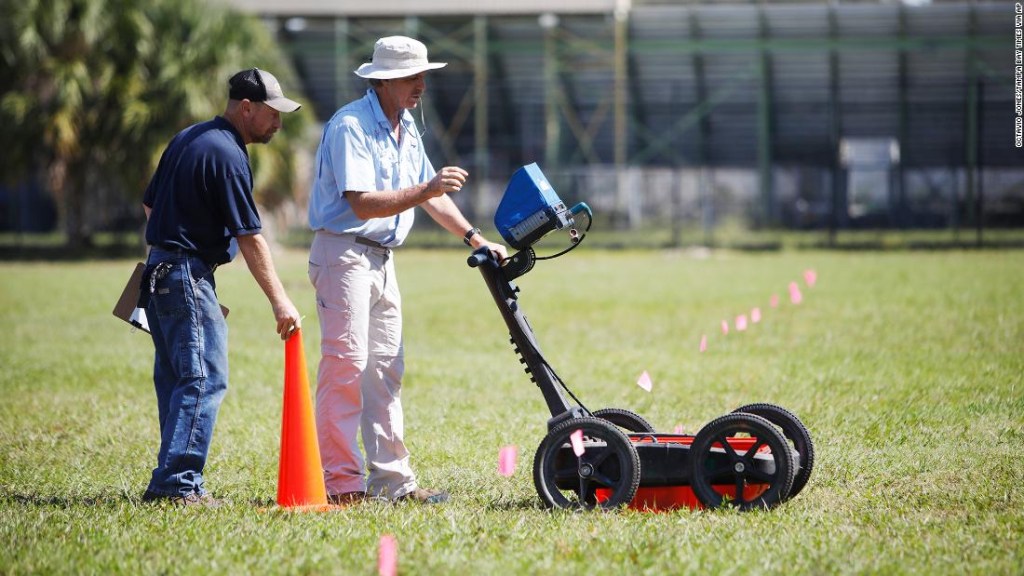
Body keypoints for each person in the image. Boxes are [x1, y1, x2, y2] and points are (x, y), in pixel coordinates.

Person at [307, 36, 508, 505]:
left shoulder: (407, 124)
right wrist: (424, 189)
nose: (421, 84)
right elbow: (361, 204)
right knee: (346, 367)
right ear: (385, 81)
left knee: (385, 370)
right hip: (344, 255)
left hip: (380, 260)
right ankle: (341, 484)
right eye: (412, 77)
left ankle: (393, 483)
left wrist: (475, 238)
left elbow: (432, 195)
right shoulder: (350, 126)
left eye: (422, 76)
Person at [140, 68, 304, 506]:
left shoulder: (189, 138)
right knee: (203, 377)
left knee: (177, 378)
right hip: (183, 272)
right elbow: (250, 238)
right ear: (246, 107)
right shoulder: (229, 155)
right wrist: (280, 301)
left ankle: (172, 477)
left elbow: (150, 204)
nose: (278, 123)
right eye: (272, 114)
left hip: (158, 270)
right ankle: (176, 485)